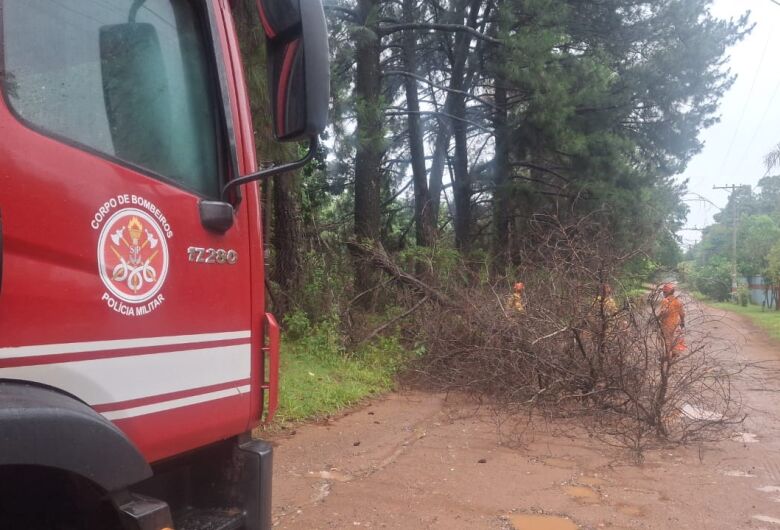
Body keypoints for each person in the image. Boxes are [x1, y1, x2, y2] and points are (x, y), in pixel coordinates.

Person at [659, 283, 685, 358]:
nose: (663, 293)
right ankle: (675, 353)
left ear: (668, 292)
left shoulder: (665, 301)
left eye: (664, 292)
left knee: (666, 340)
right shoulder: (678, 301)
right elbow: (682, 314)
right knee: (674, 339)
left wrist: (657, 318)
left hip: (666, 324)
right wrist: (682, 322)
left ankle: (667, 356)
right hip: (675, 324)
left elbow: (662, 313)